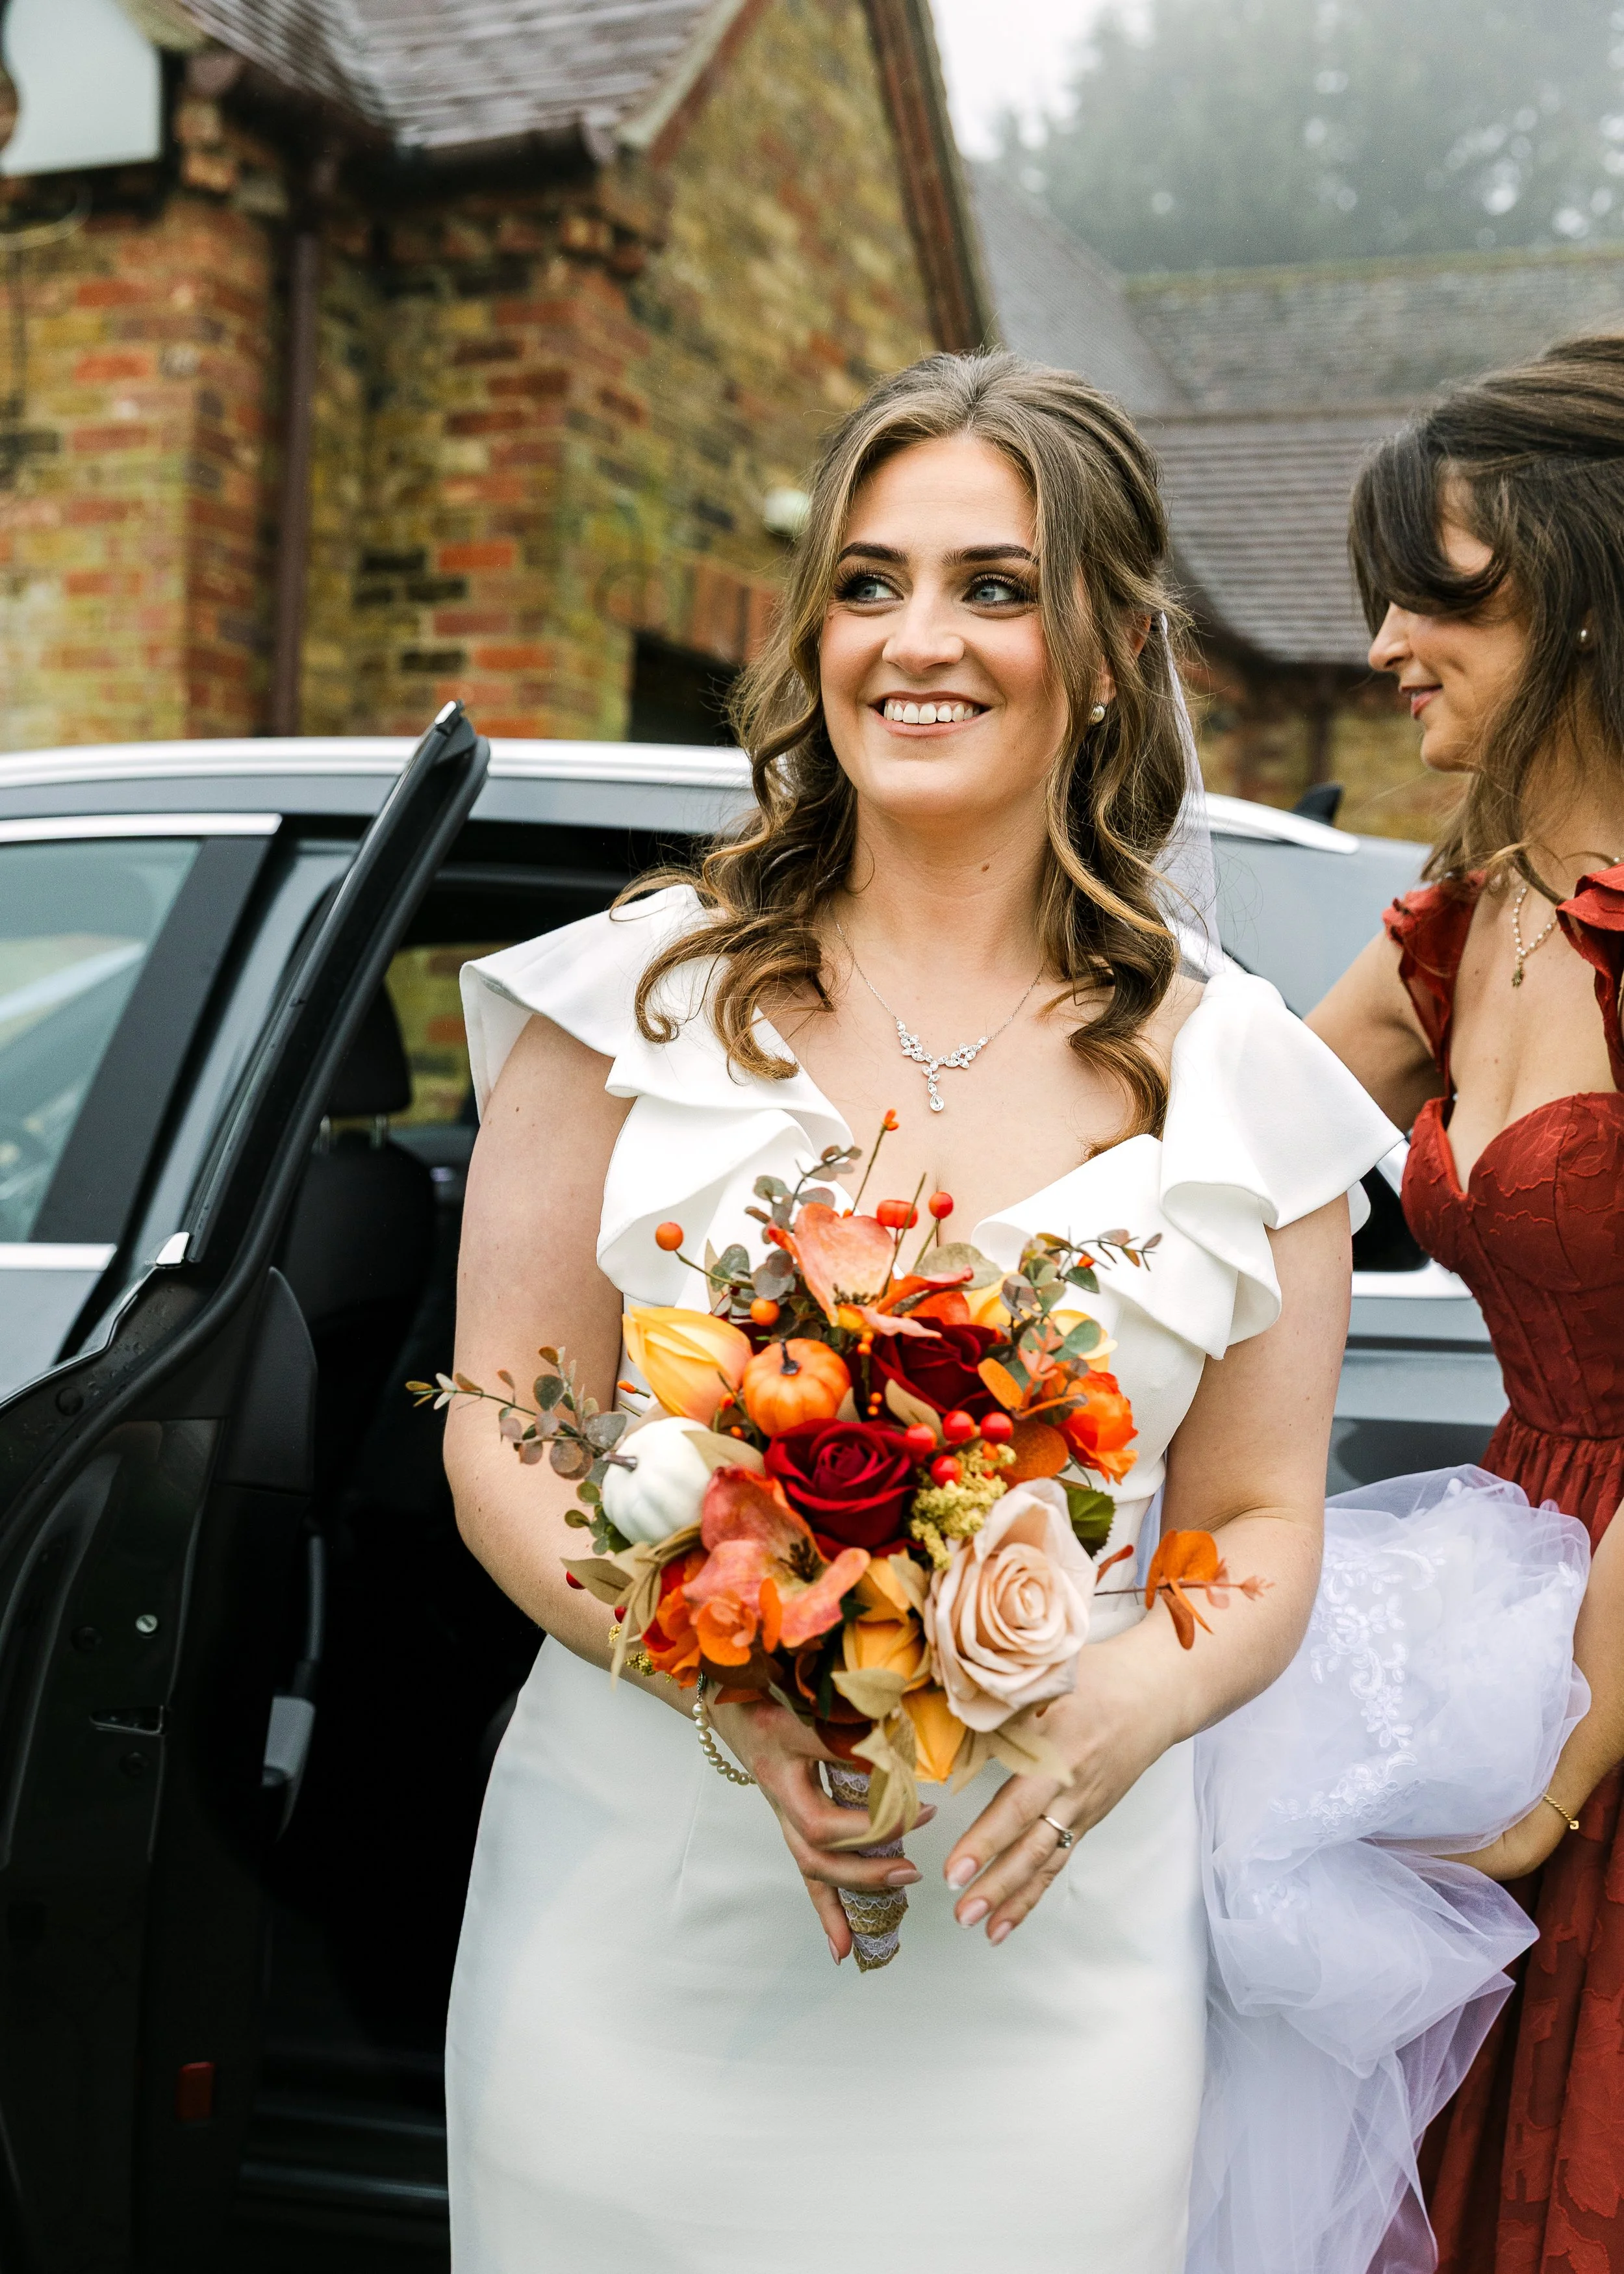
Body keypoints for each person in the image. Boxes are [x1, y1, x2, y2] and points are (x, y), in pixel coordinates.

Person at [442, 351, 1578, 2274]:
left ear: (1109, 652)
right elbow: (500, 1416)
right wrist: (722, 1670)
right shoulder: (628, 1007)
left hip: (1048, 1945)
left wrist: (1139, 1692)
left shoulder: (1243, 1081)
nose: (915, 640)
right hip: (634, 1925)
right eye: (867, 583)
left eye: (992, 585)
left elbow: (1253, 1527)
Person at [1309, 333, 1624, 2274]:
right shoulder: (1466, 903)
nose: (1379, 643)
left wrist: (1564, 1768)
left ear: (1588, 582)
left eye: (1438, 593)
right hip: (1515, 1594)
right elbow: (1219, 1133)